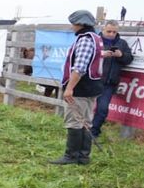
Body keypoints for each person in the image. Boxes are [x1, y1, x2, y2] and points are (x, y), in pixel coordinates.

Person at [49, 9, 105, 165]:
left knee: (75, 120)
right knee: (86, 121)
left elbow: (80, 67)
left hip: (81, 88)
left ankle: (71, 156)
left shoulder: (85, 40)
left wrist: (69, 88)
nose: (72, 26)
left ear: (80, 23)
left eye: (73, 23)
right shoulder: (95, 38)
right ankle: (83, 156)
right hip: (91, 86)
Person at [89, 19, 134, 139]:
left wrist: (121, 55)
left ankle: (93, 133)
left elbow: (129, 59)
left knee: (102, 109)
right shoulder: (94, 41)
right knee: (86, 106)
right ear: (103, 30)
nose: (111, 34)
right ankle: (80, 130)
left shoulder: (122, 43)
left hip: (109, 83)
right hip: (92, 80)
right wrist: (100, 54)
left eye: (114, 32)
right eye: (109, 31)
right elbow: (84, 56)